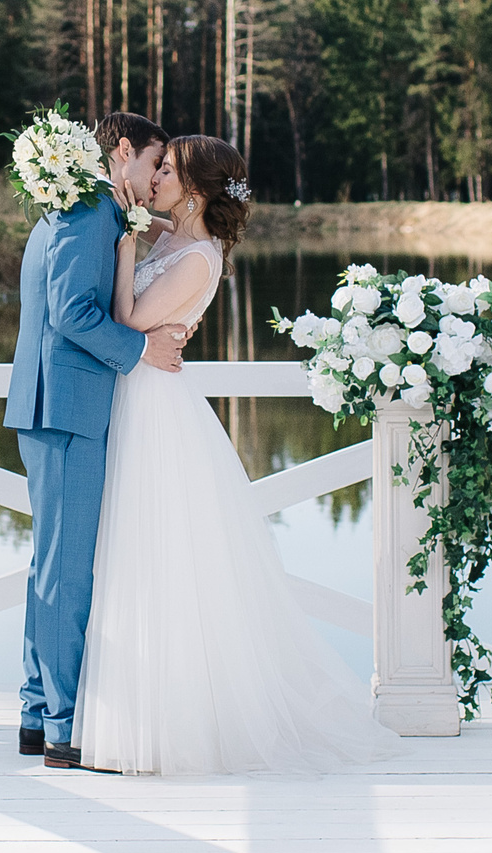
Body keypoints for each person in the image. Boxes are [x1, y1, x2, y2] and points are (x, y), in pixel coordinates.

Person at [76, 134, 398, 774]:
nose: (157, 175)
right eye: (158, 165)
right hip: (137, 400)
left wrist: (121, 247)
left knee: (161, 558)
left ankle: (169, 725)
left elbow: (128, 315)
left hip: (157, 414)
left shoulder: (196, 256)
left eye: (167, 169)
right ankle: (129, 716)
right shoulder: (169, 233)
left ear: (194, 189)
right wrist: (126, 213)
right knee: (136, 552)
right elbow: (136, 216)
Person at [3, 111, 191, 770]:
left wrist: (169, 224)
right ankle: (61, 724)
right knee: (65, 573)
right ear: (121, 153)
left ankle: (37, 710)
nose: (152, 177)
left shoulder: (95, 209)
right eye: (152, 162)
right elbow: (71, 311)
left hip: (61, 407)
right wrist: (142, 348)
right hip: (66, 409)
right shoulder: (87, 212)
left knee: (52, 567)